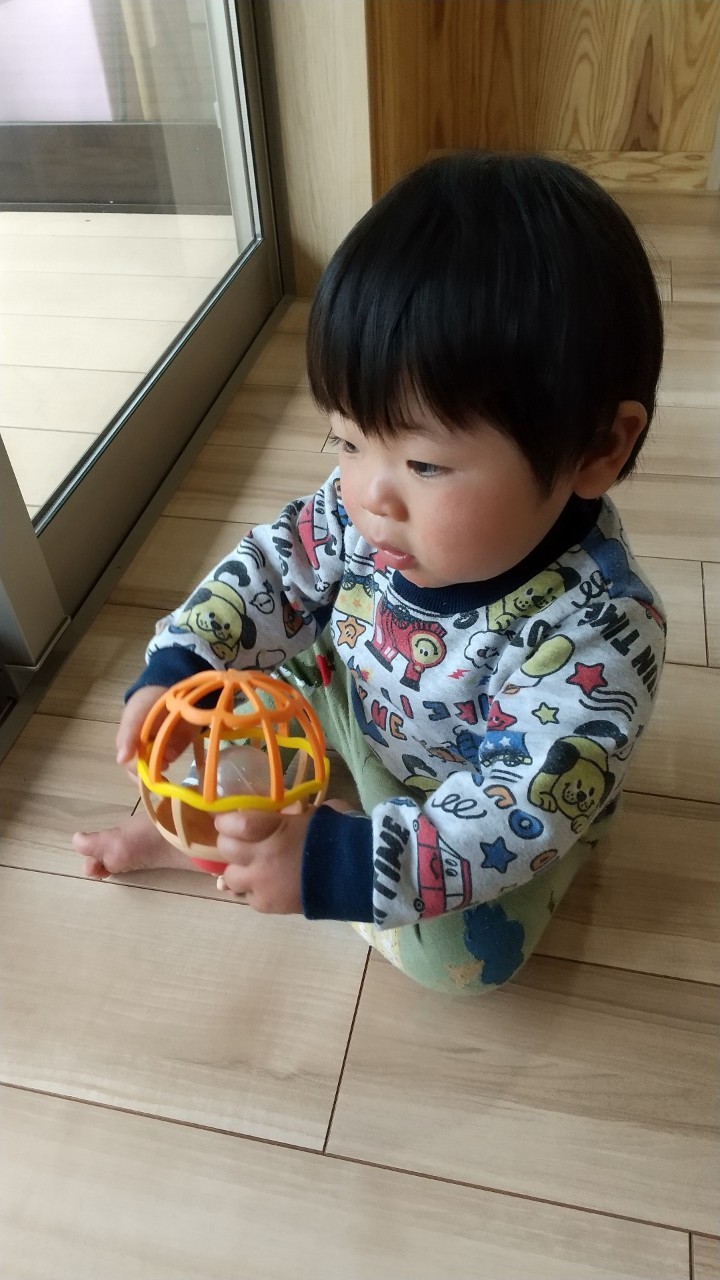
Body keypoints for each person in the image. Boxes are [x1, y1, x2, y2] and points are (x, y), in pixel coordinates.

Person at [73, 151, 666, 995]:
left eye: (424, 464)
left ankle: (304, 850)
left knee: (465, 961)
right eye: (347, 440)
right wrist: (184, 661)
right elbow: (274, 566)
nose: (368, 495)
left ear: (598, 448)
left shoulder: (599, 633)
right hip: (348, 698)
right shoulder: (364, 507)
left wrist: (335, 869)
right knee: (228, 714)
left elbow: (514, 810)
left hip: (482, 798)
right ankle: (213, 843)